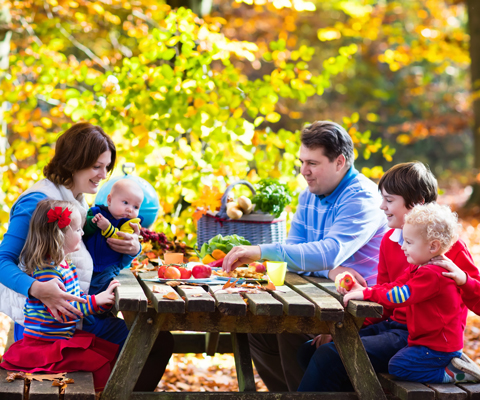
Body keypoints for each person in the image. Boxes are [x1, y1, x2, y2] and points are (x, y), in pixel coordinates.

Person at [0, 122, 173, 391]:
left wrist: (131, 250)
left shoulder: (77, 199)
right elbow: (2, 262)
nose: (103, 175)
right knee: (152, 342)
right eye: (96, 166)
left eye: (106, 167)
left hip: (79, 316)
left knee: (153, 340)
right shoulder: (38, 202)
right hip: (49, 332)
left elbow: (88, 257)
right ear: (73, 162)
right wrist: (37, 288)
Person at [223, 121, 389, 391]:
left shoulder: (361, 198)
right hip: (325, 300)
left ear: (340, 161)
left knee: (287, 328)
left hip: (364, 313)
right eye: (301, 162)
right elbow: (296, 254)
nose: (304, 172)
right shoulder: (309, 196)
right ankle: (291, 394)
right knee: (256, 328)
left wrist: (263, 252)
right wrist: (329, 269)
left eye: (312, 163)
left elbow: (329, 252)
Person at [297, 161, 480, 392]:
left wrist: (463, 278)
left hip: (422, 338)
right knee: (311, 350)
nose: (381, 206)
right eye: (381, 198)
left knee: (329, 357)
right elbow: (384, 301)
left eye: (389, 200)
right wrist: (344, 328)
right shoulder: (390, 240)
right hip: (392, 326)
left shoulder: (448, 248)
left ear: (417, 204)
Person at [341, 203, 480, 383]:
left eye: (409, 242)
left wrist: (367, 295)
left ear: (433, 246)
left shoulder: (433, 274)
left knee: (398, 366)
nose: (403, 247)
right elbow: (397, 284)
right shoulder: (420, 266)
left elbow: (400, 295)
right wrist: (367, 290)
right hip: (425, 341)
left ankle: (453, 374)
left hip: (438, 346)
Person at [1, 200, 121, 391]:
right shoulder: (48, 272)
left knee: (108, 353)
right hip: (45, 345)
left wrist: (101, 302)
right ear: (59, 235)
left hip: (60, 338)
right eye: (77, 230)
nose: (83, 234)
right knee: (100, 363)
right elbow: (65, 311)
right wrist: (96, 301)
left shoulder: (66, 266)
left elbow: (78, 296)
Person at [84, 179, 144, 294]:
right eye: (125, 202)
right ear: (109, 200)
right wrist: (92, 222)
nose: (130, 209)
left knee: (108, 291)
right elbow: (83, 229)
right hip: (87, 265)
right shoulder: (96, 212)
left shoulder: (130, 224)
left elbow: (121, 240)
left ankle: (102, 310)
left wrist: (107, 228)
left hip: (110, 268)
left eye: (136, 207)